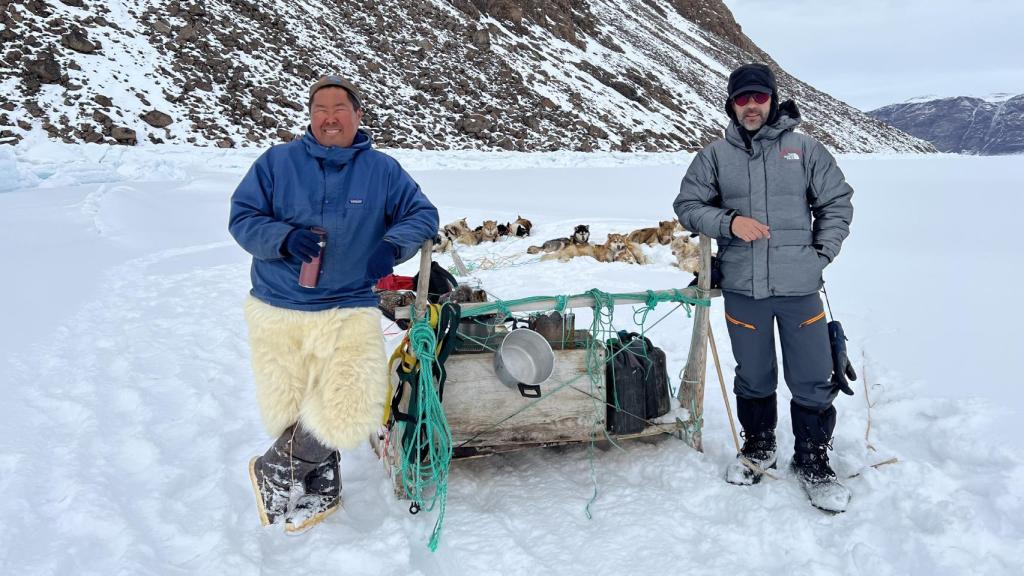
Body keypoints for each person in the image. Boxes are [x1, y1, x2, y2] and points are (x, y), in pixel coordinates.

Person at [229, 75, 439, 531]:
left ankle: (277, 467)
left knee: (351, 399)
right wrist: (283, 239)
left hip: (348, 303)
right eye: (320, 108)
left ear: (357, 115)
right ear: (310, 116)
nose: (329, 117)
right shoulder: (276, 162)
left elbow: (423, 214)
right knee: (295, 399)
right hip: (280, 303)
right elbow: (243, 217)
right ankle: (322, 480)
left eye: (339, 108)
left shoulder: (382, 170)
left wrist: (392, 245)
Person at [673, 63, 854, 512]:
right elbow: (688, 205)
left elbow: (837, 202)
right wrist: (729, 222)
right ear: (731, 105)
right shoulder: (714, 156)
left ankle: (812, 459)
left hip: (800, 287)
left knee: (812, 376)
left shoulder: (805, 149)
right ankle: (759, 446)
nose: (751, 106)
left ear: (772, 99)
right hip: (743, 286)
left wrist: (821, 255)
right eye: (742, 99)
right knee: (753, 373)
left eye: (758, 97)